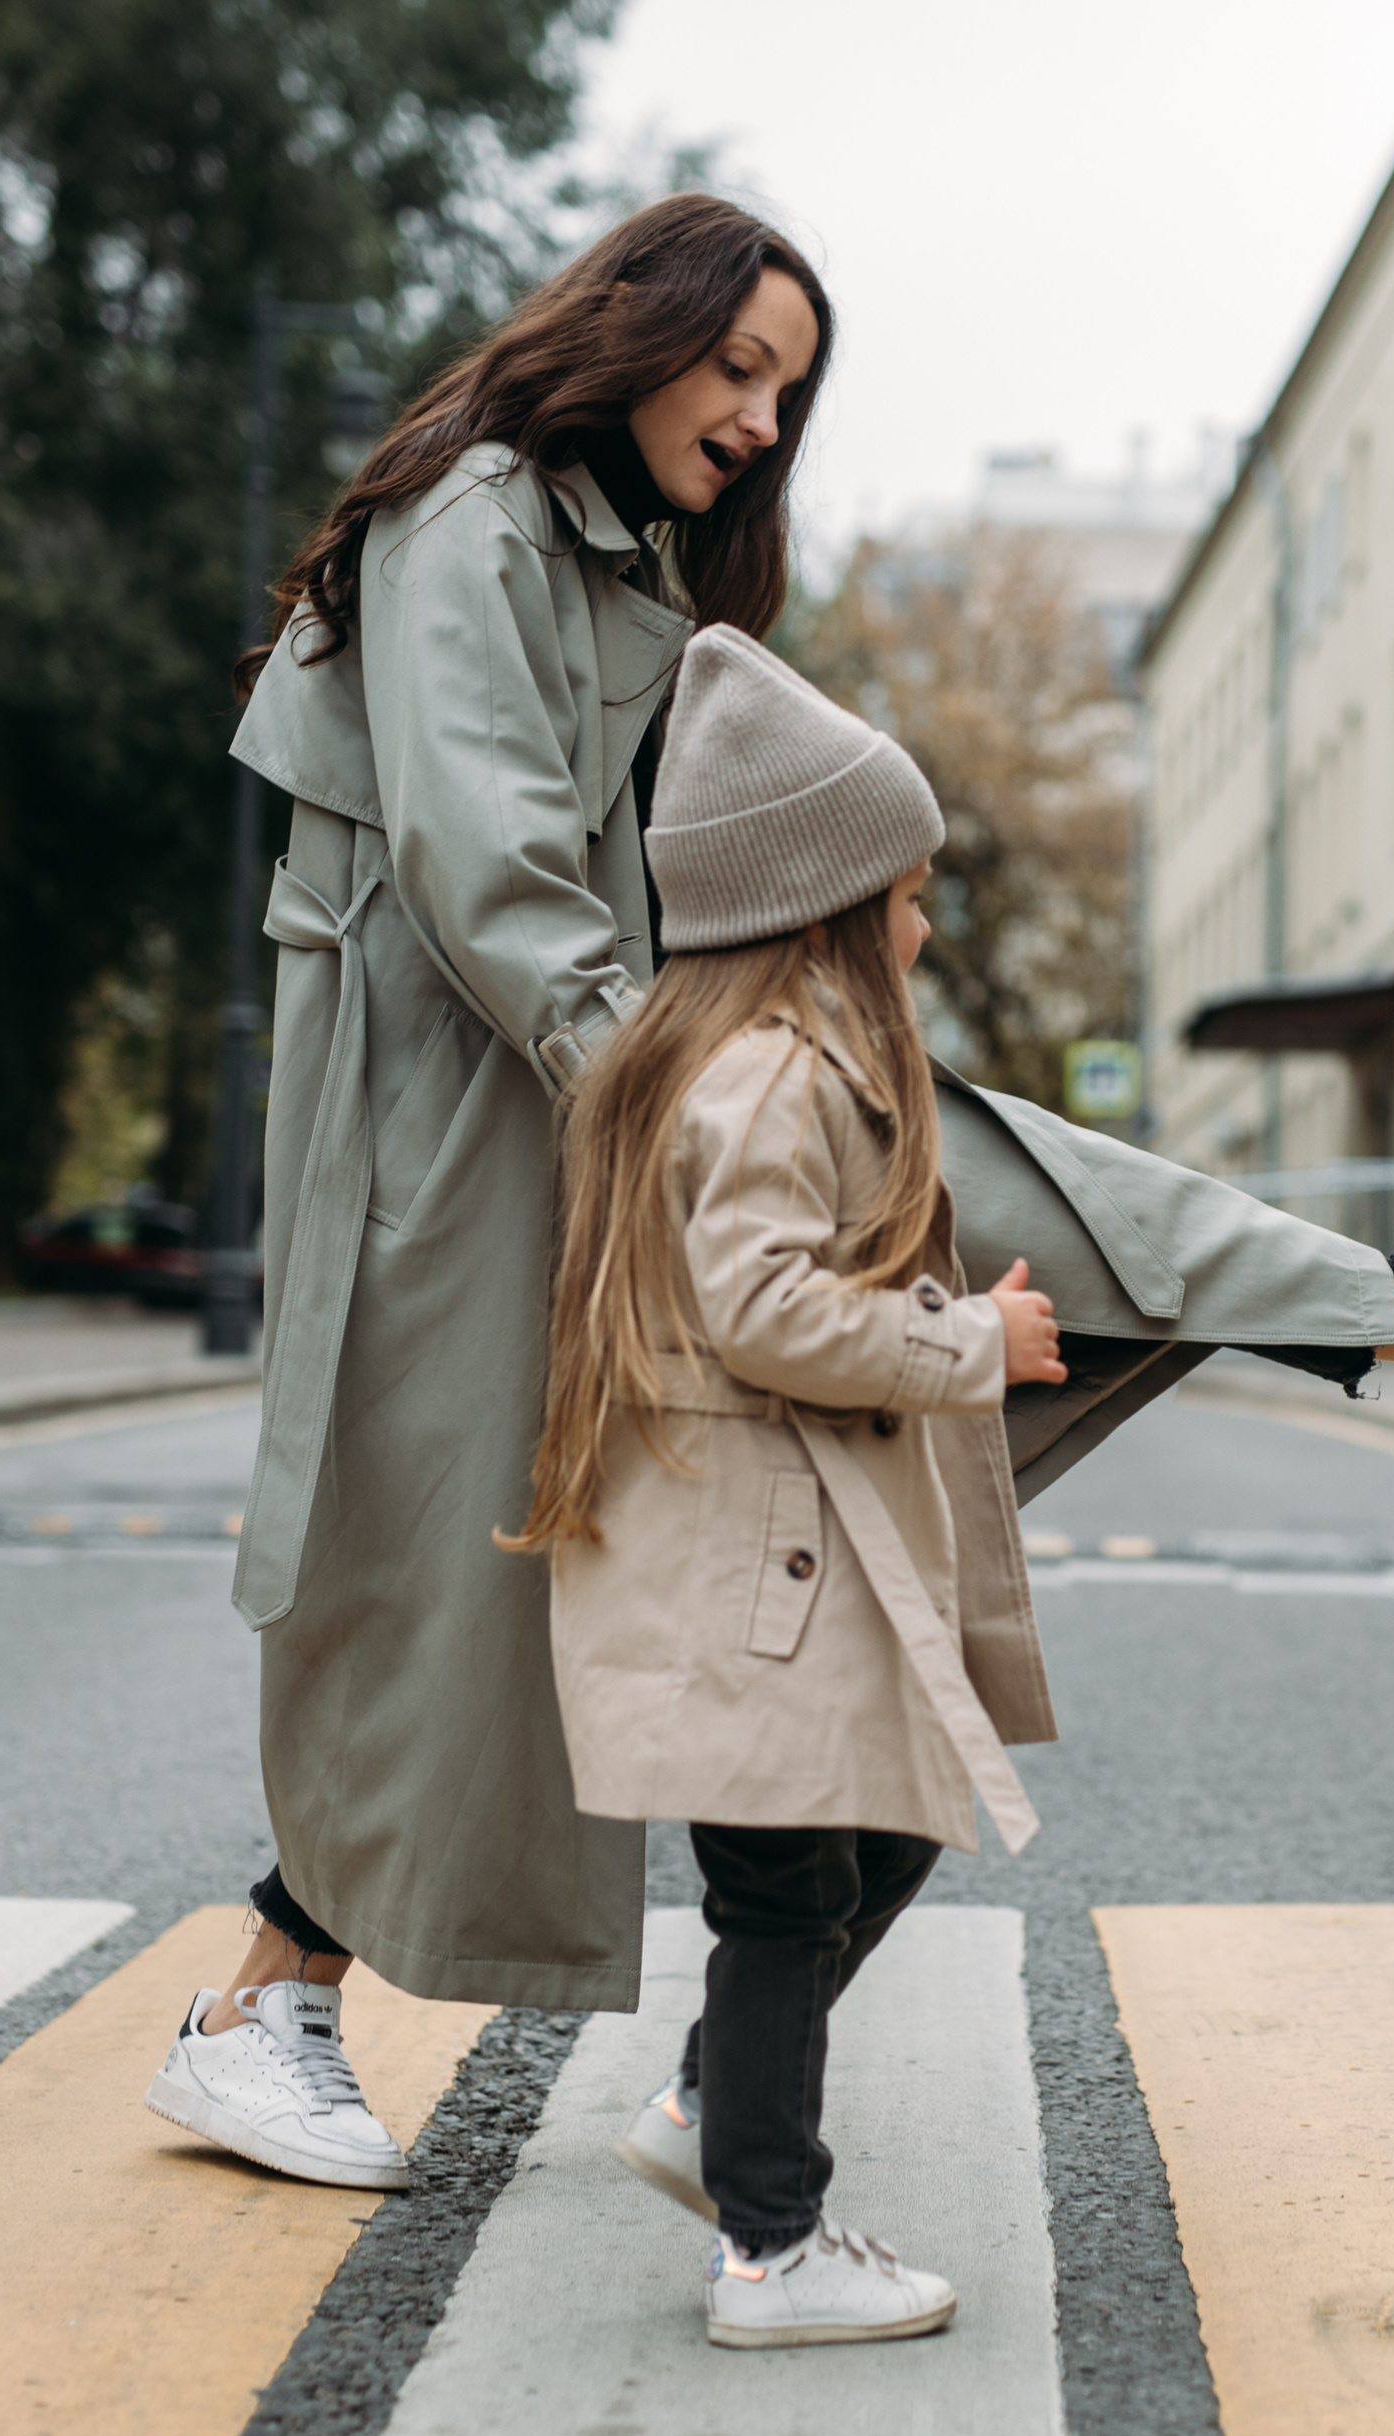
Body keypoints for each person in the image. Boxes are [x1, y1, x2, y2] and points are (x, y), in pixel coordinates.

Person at [144, 192, 1394, 2195]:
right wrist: (693, 1116)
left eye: (792, 389)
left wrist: (784, 1008)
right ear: (638, 330)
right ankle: (258, 2010)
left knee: (1016, 1196)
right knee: (469, 1584)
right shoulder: (473, 517)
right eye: (740, 364)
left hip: (607, 1088)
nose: (763, 417)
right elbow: (493, 878)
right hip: (477, 1129)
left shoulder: (639, 575)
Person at [509, 623, 1068, 2343]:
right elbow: (759, 1307)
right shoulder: (769, 1074)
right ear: (821, 901)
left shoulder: (759, 1058)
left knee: (872, 1836)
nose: (921, 925)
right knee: (780, 1894)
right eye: (903, 895)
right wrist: (964, 1342)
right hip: (757, 1571)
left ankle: (708, 2112)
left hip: (769, 1563)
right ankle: (770, 2245)